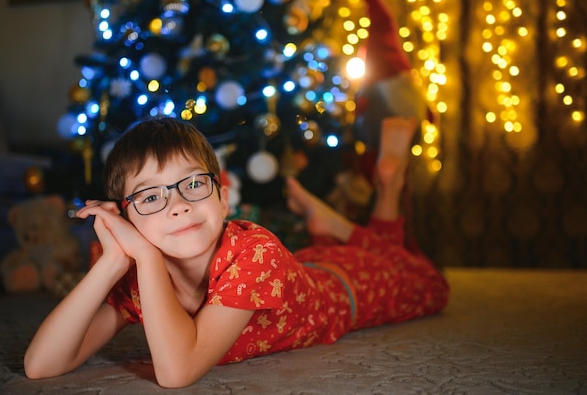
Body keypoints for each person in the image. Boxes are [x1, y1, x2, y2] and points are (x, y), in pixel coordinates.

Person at [24, 117, 449, 388]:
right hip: (310, 263)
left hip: (346, 290)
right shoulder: (131, 267)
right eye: (150, 196)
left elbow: (177, 372)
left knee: (430, 281)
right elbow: (41, 365)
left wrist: (147, 256)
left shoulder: (255, 251)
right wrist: (115, 258)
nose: (178, 204)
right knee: (384, 257)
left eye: (193, 184)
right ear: (128, 219)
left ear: (223, 199)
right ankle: (333, 225)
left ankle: (357, 212)